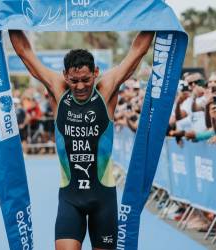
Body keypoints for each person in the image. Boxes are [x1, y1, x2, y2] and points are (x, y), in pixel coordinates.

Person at [9, 30, 154, 250]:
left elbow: (137, 50)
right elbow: (25, 53)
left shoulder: (106, 89)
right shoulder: (58, 90)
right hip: (70, 198)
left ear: (95, 73)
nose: (80, 86)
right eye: (74, 80)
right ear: (65, 75)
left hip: (103, 199)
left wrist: (153, 14)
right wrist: (9, 17)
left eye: (86, 79)